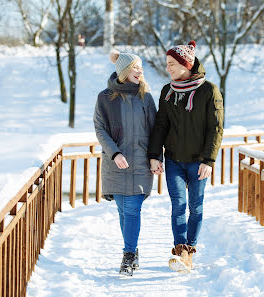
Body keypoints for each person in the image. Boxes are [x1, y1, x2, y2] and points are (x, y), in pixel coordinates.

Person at [148, 40, 224, 273]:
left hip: (199, 161)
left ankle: (190, 249)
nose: (168, 68)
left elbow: (216, 128)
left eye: (172, 64)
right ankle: (181, 251)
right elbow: (160, 125)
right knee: (178, 206)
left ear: (185, 64)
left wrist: (209, 160)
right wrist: (154, 155)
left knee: (196, 206)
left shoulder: (209, 90)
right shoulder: (167, 91)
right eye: (167, 64)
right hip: (173, 160)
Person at [93, 50, 157, 276]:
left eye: (141, 67)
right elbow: (100, 129)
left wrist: (156, 157)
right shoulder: (105, 97)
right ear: (123, 71)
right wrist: (115, 153)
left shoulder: (146, 98)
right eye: (135, 67)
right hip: (116, 163)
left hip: (140, 163)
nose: (140, 71)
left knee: (132, 209)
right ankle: (133, 250)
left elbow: (155, 131)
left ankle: (128, 255)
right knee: (122, 209)